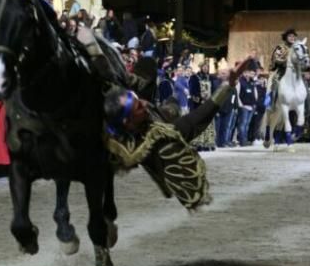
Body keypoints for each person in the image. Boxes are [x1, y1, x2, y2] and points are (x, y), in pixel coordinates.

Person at [102, 59, 249, 210]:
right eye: (139, 106)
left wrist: (227, 86)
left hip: (155, 122)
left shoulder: (162, 136)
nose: (144, 105)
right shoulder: (150, 134)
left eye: (140, 102)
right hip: (142, 120)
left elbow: (200, 115)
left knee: (162, 94)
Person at [188, 61, 218, 151]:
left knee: (209, 123)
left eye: (207, 67)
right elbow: (193, 91)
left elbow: (213, 90)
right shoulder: (194, 77)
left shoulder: (210, 77)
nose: (206, 68)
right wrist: (200, 99)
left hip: (208, 103)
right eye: (204, 67)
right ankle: (198, 143)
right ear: (200, 67)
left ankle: (208, 142)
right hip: (199, 104)